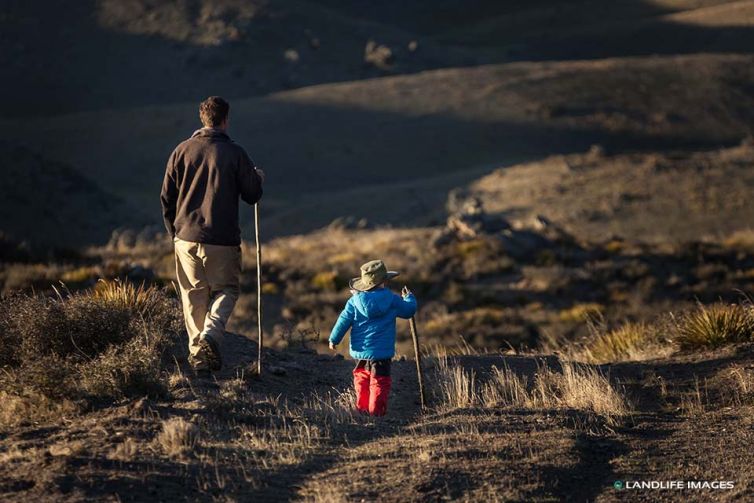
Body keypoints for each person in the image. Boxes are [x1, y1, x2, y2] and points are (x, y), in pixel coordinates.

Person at [160, 96, 264, 375]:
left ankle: (199, 356)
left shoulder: (181, 151)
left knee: (193, 296)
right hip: (222, 238)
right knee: (226, 291)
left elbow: (166, 198)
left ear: (202, 119)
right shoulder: (235, 153)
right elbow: (252, 195)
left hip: (186, 237)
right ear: (226, 119)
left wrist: (176, 233)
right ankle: (210, 337)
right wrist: (258, 178)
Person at [328, 260, 417, 416]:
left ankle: (362, 409)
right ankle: (376, 412)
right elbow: (409, 310)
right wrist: (409, 298)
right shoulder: (392, 300)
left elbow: (343, 320)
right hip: (382, 352)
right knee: (380, 381)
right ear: (384, 281)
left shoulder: (354, 302)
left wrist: (333, 339)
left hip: (361, 350)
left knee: (362, 377)